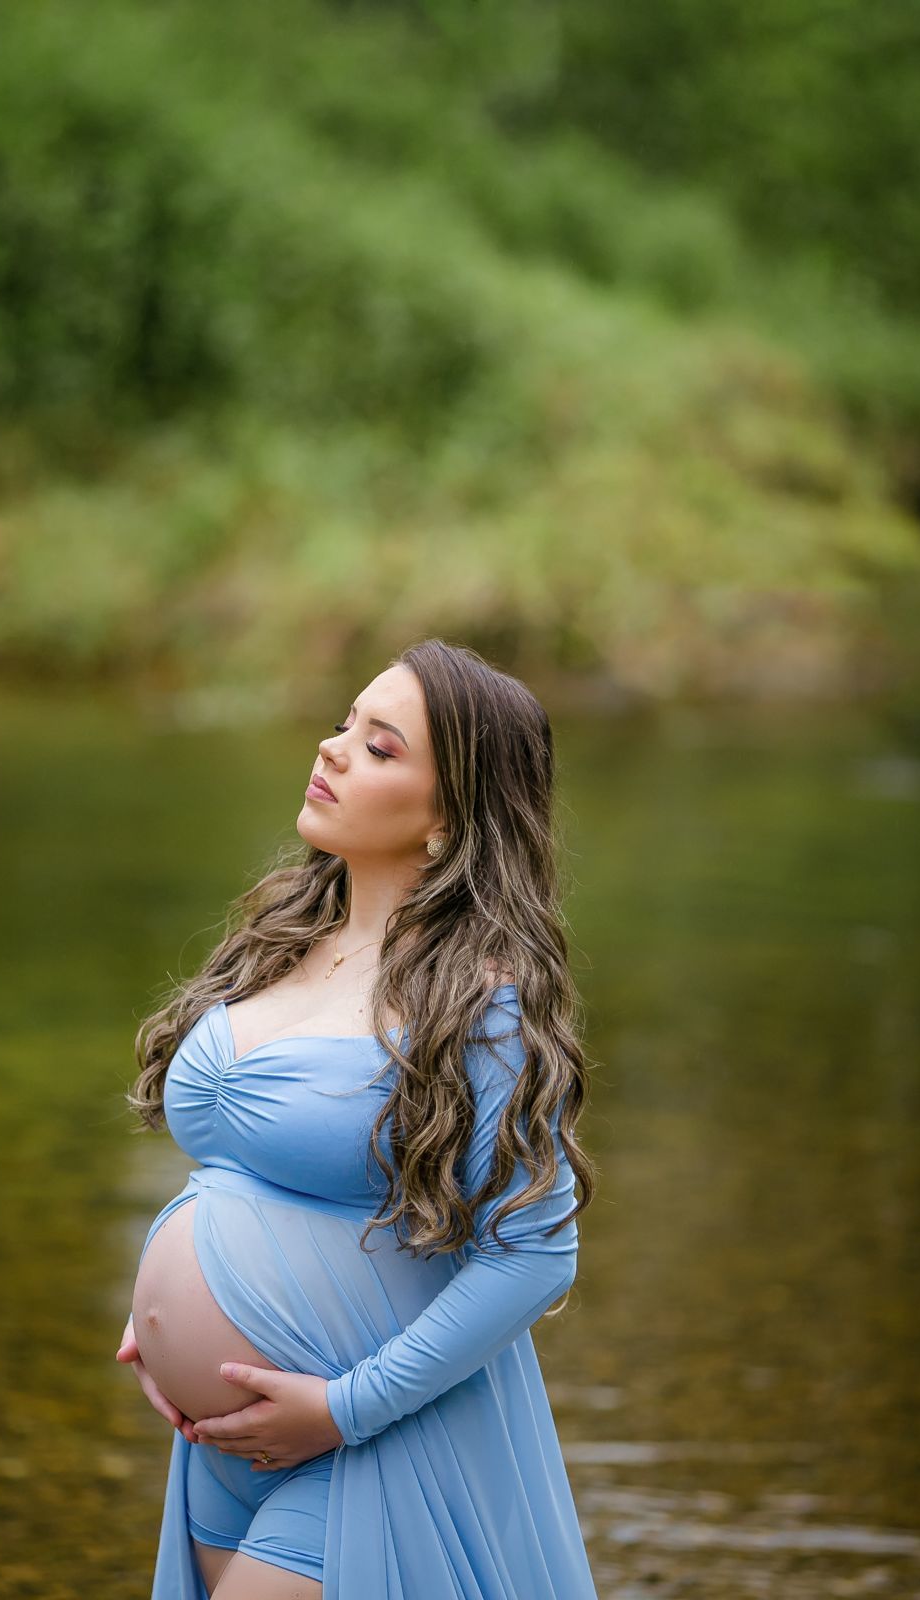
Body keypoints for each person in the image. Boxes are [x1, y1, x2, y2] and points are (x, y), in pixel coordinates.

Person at [118, 637, 600, 1599]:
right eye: (345, 723)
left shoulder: (481, 1004)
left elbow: (535, 1253)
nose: (333, 749)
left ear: (448, 817)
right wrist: (159, 1320)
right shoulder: (284, 938)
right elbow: (250, 1167)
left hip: (365, 1439)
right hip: (223, 1441)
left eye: (380, 747)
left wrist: (345, 1409)